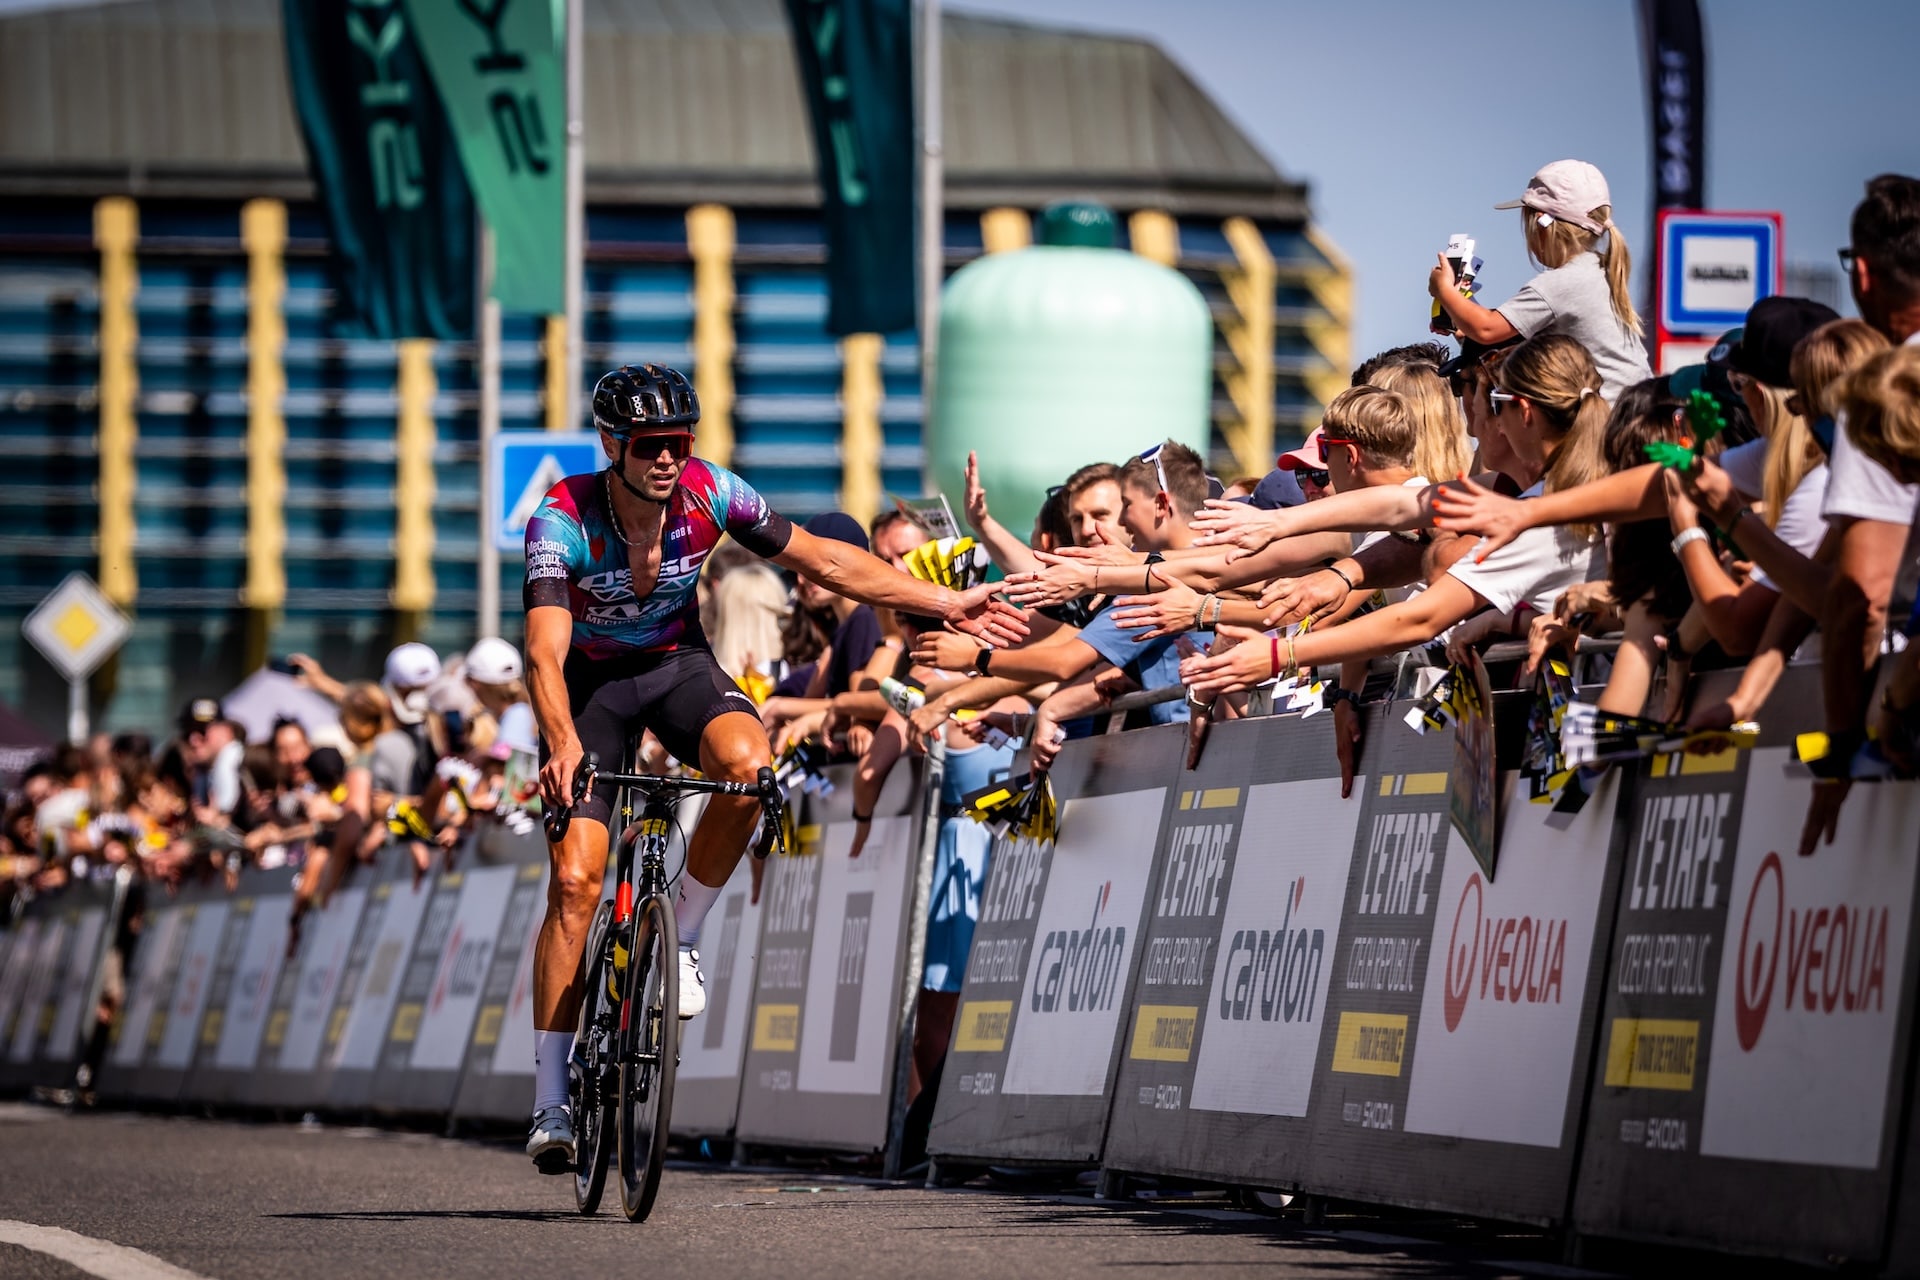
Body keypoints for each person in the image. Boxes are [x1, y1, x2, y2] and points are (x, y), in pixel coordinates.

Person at [519, 363, 1022, 1172]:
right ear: (612, 445)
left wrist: (942, 602)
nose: (667, 458)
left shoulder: (712, 492)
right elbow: (544, 651)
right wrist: (559, 742)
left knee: (751, 771)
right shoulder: (562, 518)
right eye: (649, 445)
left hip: (677, 666)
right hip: (590, 688)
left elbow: (827, 562)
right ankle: (551, 1098)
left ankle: (682, 933)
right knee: (576, 884)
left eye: (679, 441)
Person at [1430, 159, 1651, 403]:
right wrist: (1463, 318)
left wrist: (1444, 290)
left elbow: (1486, 329)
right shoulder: (1596, 270)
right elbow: (1503, 336)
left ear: (1540, 224)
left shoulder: (1562, 283)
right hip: (1637, 407)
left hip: (1610, 414)